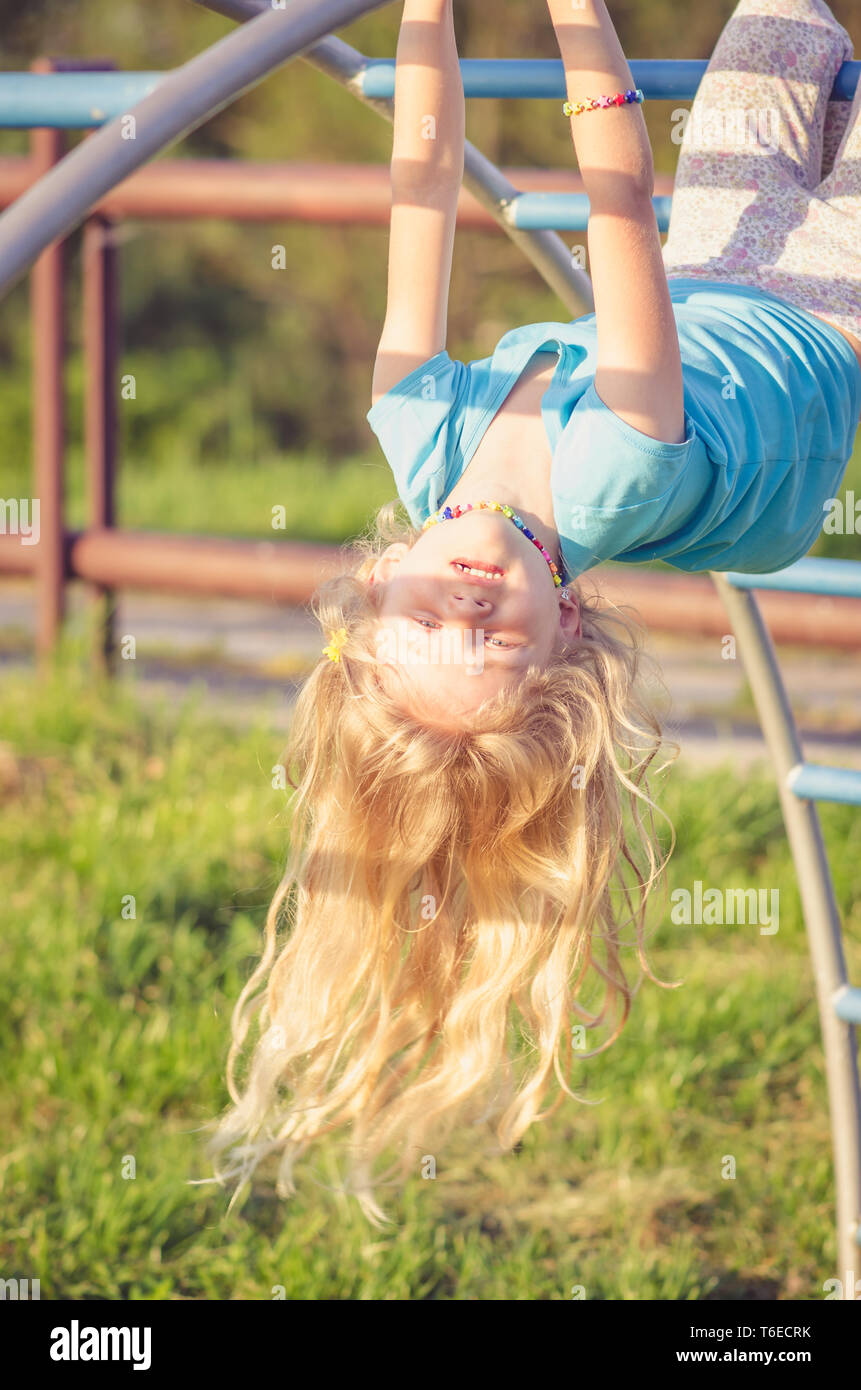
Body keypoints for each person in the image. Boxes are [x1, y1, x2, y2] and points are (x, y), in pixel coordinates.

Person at [207, 0, 860, 1223]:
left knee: (778, 23)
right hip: (831, 314)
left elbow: (423, 177)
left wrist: (423, 18)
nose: (466, 607)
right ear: (564, 627)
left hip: (719, 264)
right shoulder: (616, 470)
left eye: (427, 628)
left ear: (367, 597)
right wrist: (577, 12)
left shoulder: (414, 429)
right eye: (495, 642)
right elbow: (614, 186)